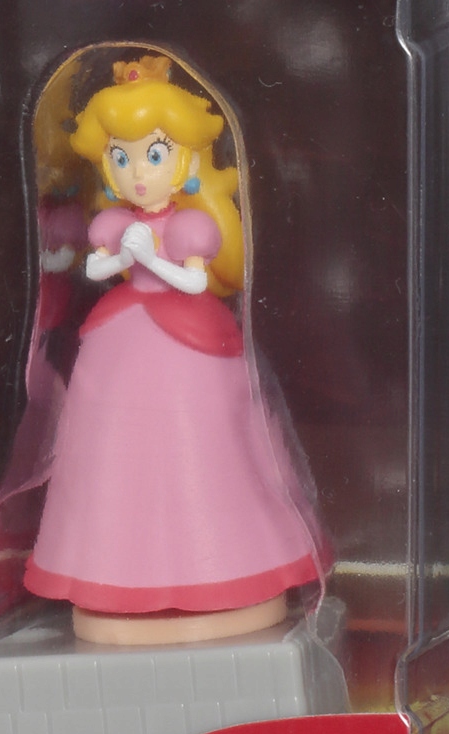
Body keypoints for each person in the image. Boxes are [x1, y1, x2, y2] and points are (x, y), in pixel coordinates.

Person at [23, 57, 323, 643]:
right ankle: (115, 571)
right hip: (121, 337)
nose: (138, 172)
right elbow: (96, 267)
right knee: (112, 451)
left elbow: (193, 279)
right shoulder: (113, 222)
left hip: (188, 340)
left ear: (183, 160)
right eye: (121, 157)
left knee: (200, 450)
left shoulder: (192, 228)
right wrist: (123, 256)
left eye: (153, 154)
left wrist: (150, 258)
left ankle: (223, 565)